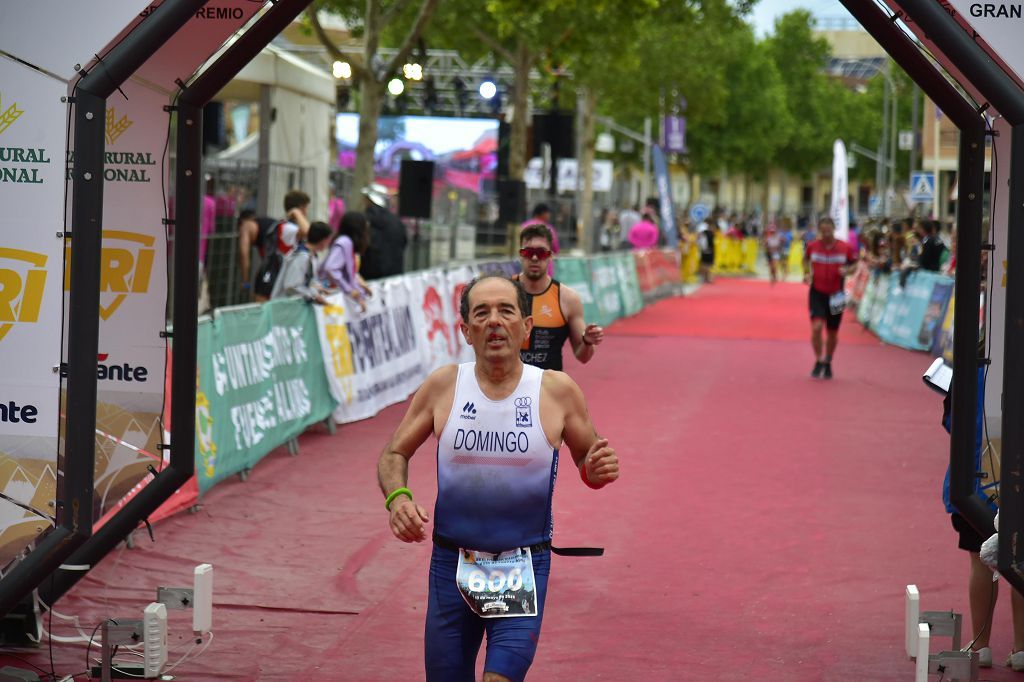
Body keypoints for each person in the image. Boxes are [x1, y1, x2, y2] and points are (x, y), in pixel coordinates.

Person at [376, 273, 620, 682]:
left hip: (522, 566)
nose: (494, 321)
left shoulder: (556, 391)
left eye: (506, 311)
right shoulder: (443, 386)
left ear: (526, 327)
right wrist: (398, 499)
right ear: (465, 330)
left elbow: (588, 461)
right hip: (451, 565)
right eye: (481, 313)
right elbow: (393, 452)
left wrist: (597, 472)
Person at [940, 365, 1024, 670]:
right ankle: (1022, 647)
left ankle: (980, 643)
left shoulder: (970, 367)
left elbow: (951, 422)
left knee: (979, 560)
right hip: (1015, 479)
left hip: (974, 483)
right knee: (1021, 559)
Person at [515, 225, 603, 371]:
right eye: (528, 252)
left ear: (550, 256)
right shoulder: (503, 293)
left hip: (549, 387)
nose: (535, 258)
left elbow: (583, 357)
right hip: (509, 387)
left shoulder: (568, 299)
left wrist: (587, 342)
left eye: (541, 253)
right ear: (520, 254)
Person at [803, 216, 856, 379]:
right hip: (817, 292)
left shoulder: (844, 247)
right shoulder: (812, 246)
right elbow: (805, 260)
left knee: (832, 332)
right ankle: (818, 359)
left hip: (837, 294)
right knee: (817, 327)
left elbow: (854, 264)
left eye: (828, 231)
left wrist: (847, 271)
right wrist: (806, 272)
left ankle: (828, 360)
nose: (826, 234)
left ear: (834, 230)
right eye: (823, 231)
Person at [320, 211, 372, 312]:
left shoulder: (346, 243)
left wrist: (359, 291)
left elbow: (348, 274)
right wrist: (349, 290)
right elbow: (331, 268)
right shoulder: (345, 242)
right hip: (333, 298)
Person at [270, 221, 331, 304]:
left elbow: (306, 281)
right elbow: (291, 286)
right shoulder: (301, 257)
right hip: (284, 306)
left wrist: (318, 288)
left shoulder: (312, 256)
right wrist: (314, 296)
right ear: (323, 240)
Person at [360, 182, 408, 280]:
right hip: (394, 277)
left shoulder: (364, 220)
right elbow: (404, 243)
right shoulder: (396, 221)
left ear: (368, 200)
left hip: (369, 277)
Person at [236, 209, 279, 298]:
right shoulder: (266, 225)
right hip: (284, 261)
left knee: (261, 293)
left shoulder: (246, 226)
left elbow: (244, 254)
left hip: (274, 264)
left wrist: (245, 280)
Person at [520, 203, 559, 277]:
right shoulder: (548, 228)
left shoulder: (523, 226)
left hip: (525, 270)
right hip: (545, 272)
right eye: (548, 213)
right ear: (543, 213)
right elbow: (556, 249)